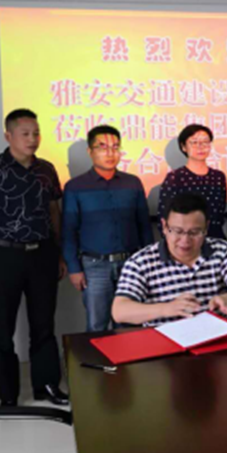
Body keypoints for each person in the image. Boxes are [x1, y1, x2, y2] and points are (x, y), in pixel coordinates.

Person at [0, 109, 68, 407]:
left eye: (36, 133)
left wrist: (59, 254)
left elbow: (54, 212)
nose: (32, 139)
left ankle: (47, 386)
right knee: (2, 328)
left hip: (43, 254)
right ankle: (8, 395)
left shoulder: (46, 169)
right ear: (8, 135)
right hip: (3, 255)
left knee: (44, 325)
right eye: (25, 133)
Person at [112, 193, 227, 327]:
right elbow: (119, 311)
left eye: (194, 232)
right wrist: (165, 309)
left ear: (206, 228)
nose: (185, 240)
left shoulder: (221, 249)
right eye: (178, 231)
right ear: (165, 227)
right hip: (165, 337)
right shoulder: (141, 262)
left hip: (216, 333)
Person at [62, 125, 153, 332]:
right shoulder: (75, 187)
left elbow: (144, 226)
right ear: (90, 151)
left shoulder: (133, 183)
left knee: (129, 325)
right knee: (97, 325)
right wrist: (74, 268)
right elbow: (69, 231)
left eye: (115, 147)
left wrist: (149, 262)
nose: (110, 153)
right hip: (94, 266)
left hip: (131, 264)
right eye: (103, 147)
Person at [158, 124, 227, 240]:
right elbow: (164, 215)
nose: (200, 147)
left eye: (205, 142)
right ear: (183, 147)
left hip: (215, 239)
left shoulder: (218, 177)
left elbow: (220, 212)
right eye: (194, 142)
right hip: (185, 241)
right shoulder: (175, 178)